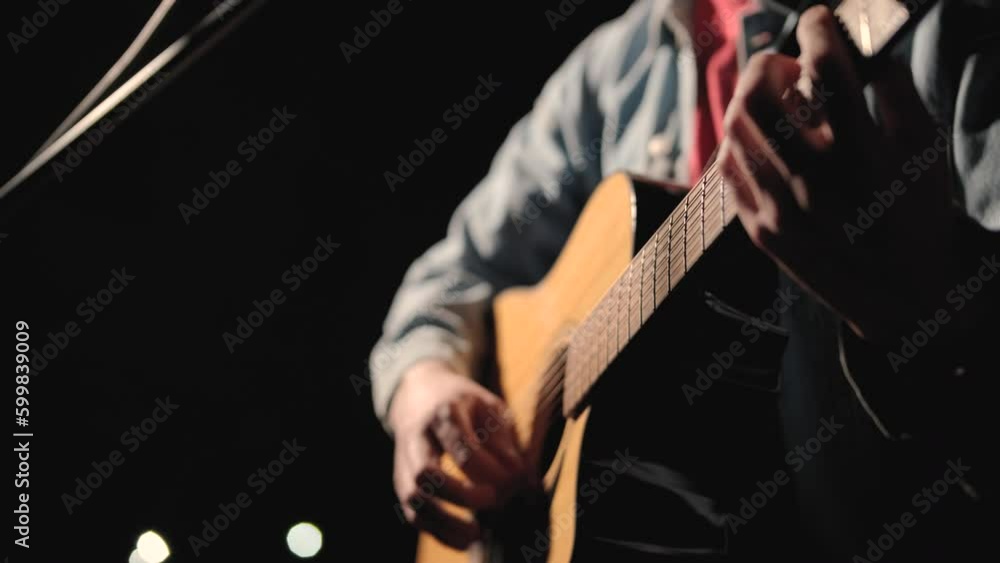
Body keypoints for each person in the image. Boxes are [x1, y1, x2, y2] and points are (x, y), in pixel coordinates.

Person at [370, 0, 998, 560]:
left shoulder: (957, 30)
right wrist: (421, 384)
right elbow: (454, 275)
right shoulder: (612, 68)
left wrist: (930, 321)